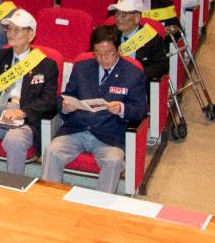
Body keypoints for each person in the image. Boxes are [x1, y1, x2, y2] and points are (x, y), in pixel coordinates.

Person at [41, 25, 147, 193]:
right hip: (76, 129)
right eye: (98, 53)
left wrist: (121, 108)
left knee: (114, 161)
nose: (103, 58)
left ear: (118, 49)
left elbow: (140, 111)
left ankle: (102, 206)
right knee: (52, 151)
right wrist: (65, 106)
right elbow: (66, 95)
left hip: (109, 135)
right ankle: (50, 199)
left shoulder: (133, 73)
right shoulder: (82, 67)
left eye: (108, 53)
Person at [0, 9, 59, 174]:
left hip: (24, 120)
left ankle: (14, 186)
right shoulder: (0, 56)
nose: (11, 34)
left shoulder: (46, 64)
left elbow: (48, 100)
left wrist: (22, 112)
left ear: (31, 34)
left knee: (14, 140)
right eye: (9, 29)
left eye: (17, 30)